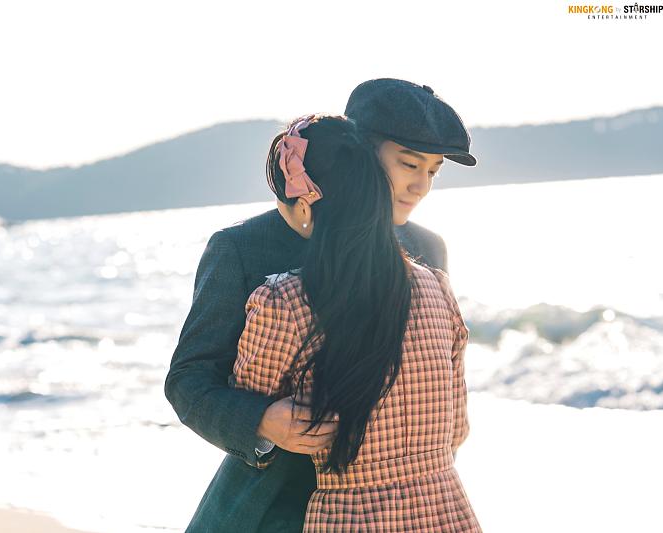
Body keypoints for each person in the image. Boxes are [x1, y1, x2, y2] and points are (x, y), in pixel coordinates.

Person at [165, 79, 477, 532]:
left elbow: (437, 385)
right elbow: (188, 379)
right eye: (408, 164)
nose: (421, 186)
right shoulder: (242, 247)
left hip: (392, 513)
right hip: (267, 506)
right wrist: (262, 422)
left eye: (433, 171)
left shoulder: (427, 250)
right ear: (360, 156)